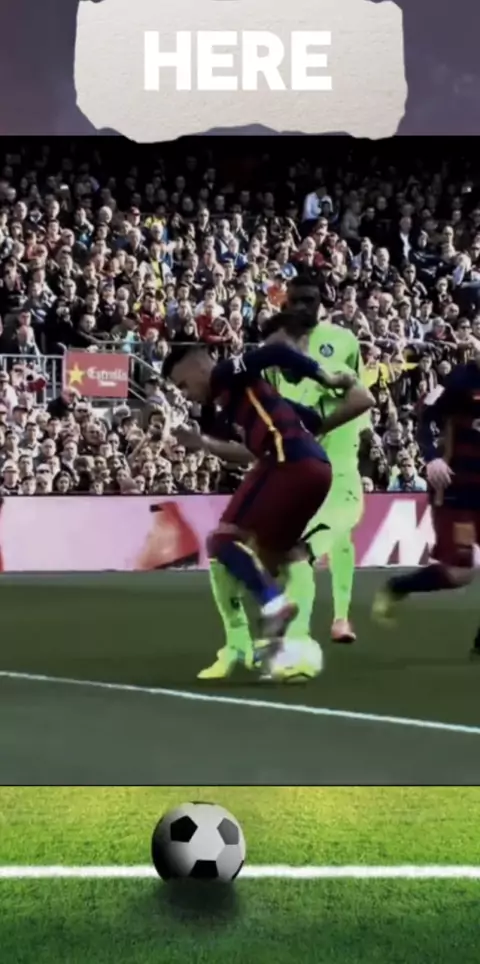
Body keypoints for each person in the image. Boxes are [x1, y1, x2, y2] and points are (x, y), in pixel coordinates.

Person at [162, 334, 373, 672]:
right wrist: (203, 443)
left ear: (198, 366)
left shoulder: (225, 373)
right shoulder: (252, 400)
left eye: (183, 385)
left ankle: (274, 607)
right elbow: (277, 438)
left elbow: (274, 351)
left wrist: (329, 378)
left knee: (223, 539)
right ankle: (284, 646)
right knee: (275, 558)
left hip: (287, 462)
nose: (186, 394)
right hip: (316, 469)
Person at [372, 361, 480, 658]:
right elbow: (426, 416)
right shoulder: (462, 379)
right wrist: (432, 458)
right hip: (458, 491)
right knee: (460, 573)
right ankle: (397, 586)